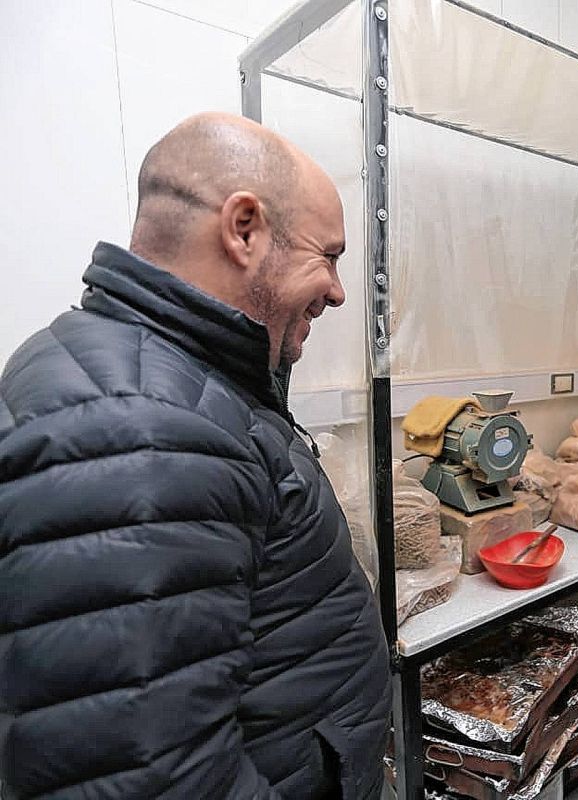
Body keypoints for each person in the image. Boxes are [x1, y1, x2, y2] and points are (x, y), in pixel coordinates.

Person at [0, 114, 392, 798]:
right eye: (327, 255)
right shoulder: (140, 427)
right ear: (244, 229)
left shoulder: (181, 382)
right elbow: (152, 776)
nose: (336, 289)